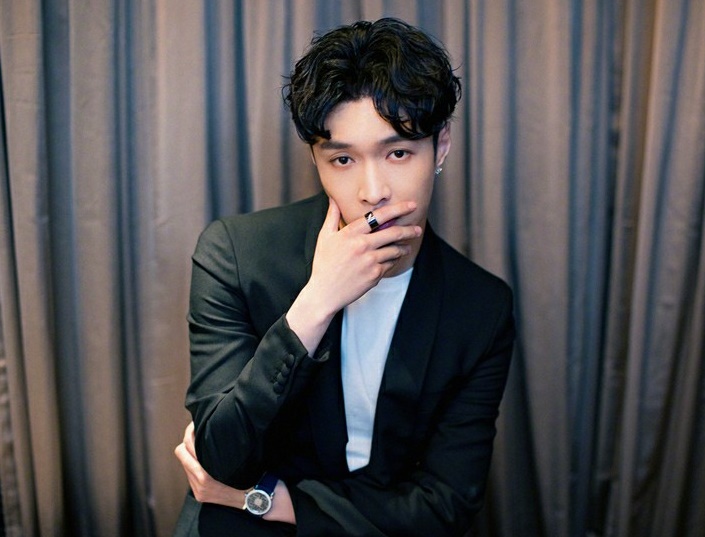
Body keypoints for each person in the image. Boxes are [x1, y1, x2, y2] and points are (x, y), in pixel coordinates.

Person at [172, 17, 515, 537]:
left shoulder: (481, 306)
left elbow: (447, 505)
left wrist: (267, 500)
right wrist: (315, 304)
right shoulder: (235, 255)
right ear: (316, 158)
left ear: (440, 146)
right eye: (343, 159)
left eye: (398, 152)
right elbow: (220, 457)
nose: (373, 190)